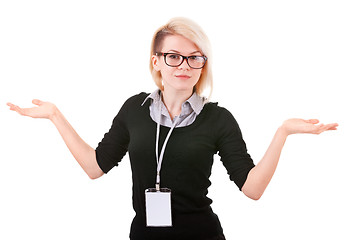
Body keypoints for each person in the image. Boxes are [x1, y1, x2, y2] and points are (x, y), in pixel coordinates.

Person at [7, 17, 338, 240]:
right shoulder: (134, 109)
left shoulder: (218, 119)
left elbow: (252, 189)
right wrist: (55, 116)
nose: (185, 65)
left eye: (195, 57)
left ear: (203, 64)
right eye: (174, 56)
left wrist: (282, 133)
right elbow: (95, 167)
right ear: (156, 60)